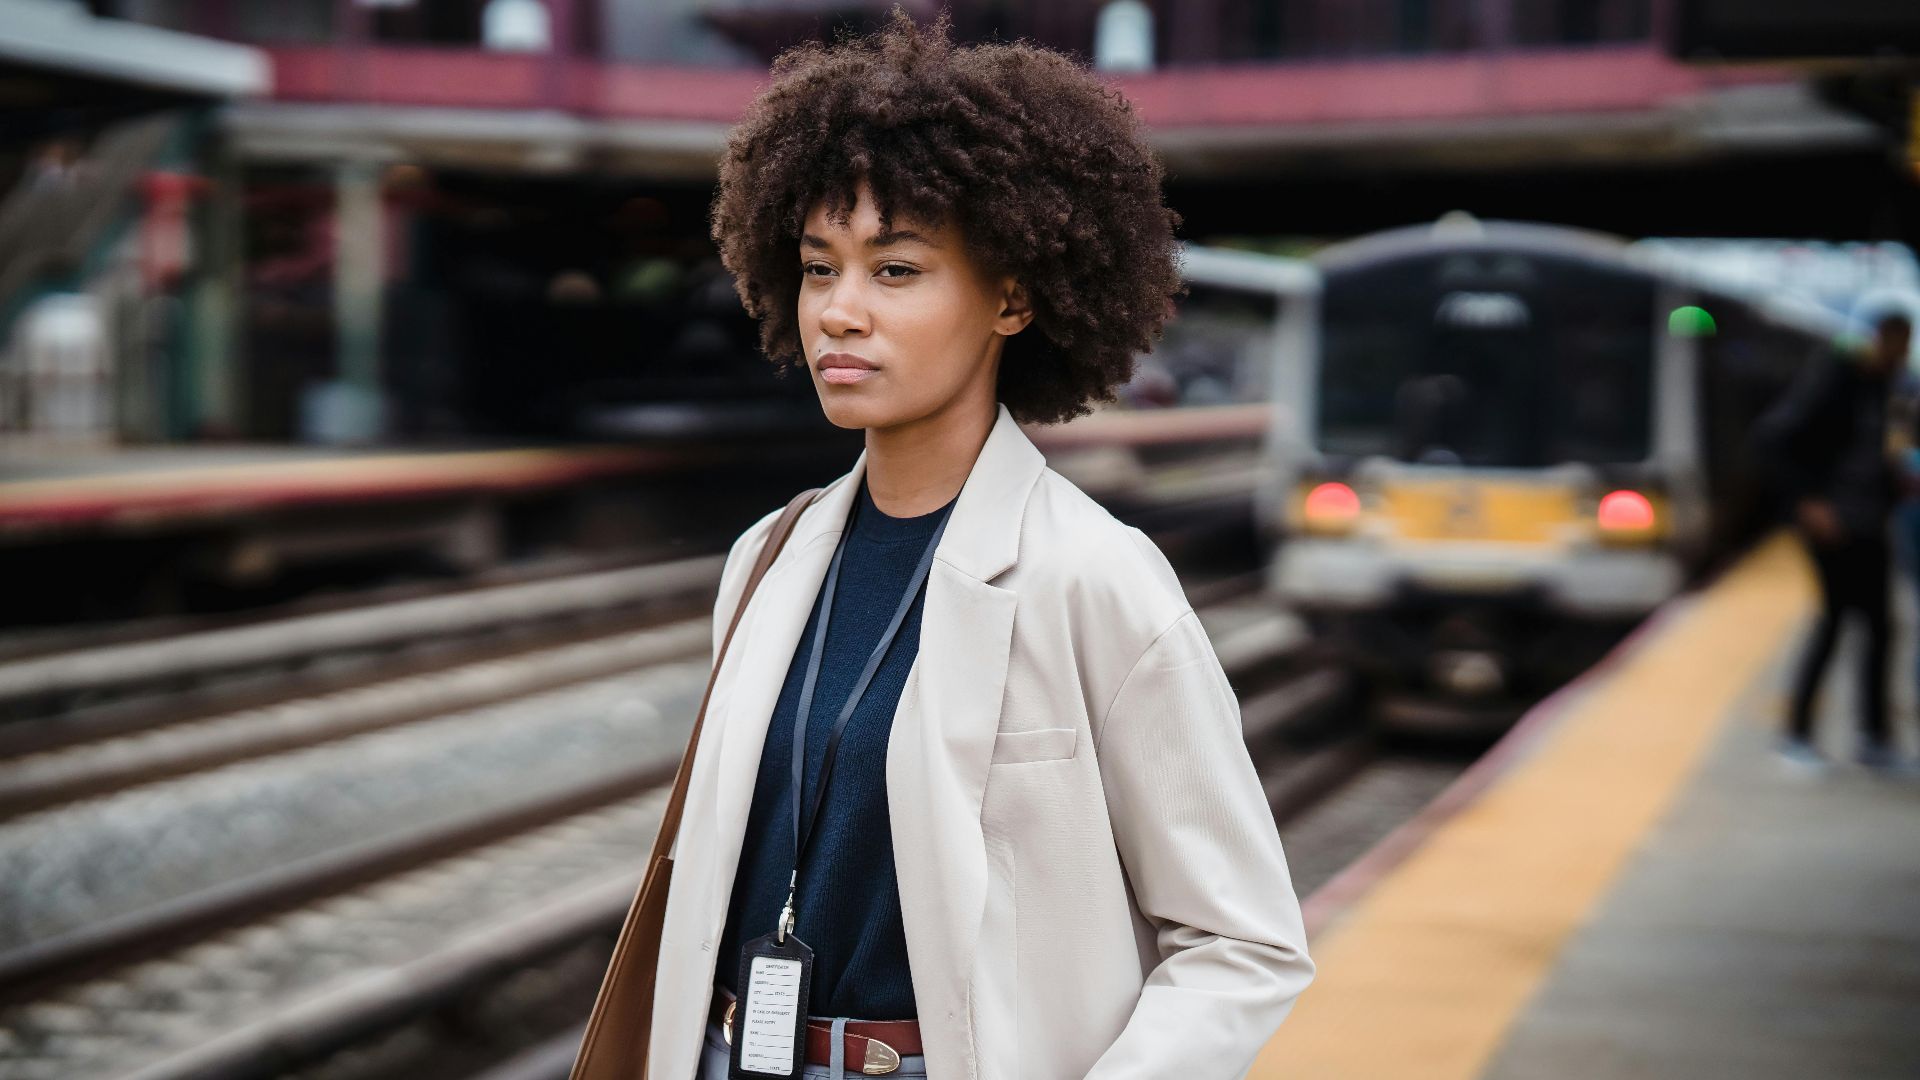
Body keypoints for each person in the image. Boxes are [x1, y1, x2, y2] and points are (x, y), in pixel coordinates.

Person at [613, 11, 1315, 1080]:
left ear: (1015, 296)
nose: (839, 313)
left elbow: (1243, 944)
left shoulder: (1095, 576)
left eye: (895, 270)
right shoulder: (767, 557)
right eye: (817, 268)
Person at [1757, 310, 1913, 772]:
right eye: (1894, 342)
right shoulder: (1834, 381)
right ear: (1874, 340)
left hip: (1869, 522)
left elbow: (1881, 451)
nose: (1899, 353)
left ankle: (1875, 738)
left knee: (1881, 629)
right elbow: (1772, 439)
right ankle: (1795, 735)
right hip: (1832, 525)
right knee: (1833, 622)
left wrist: (1894, 484)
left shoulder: (1886, 387)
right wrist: (1808, 502)